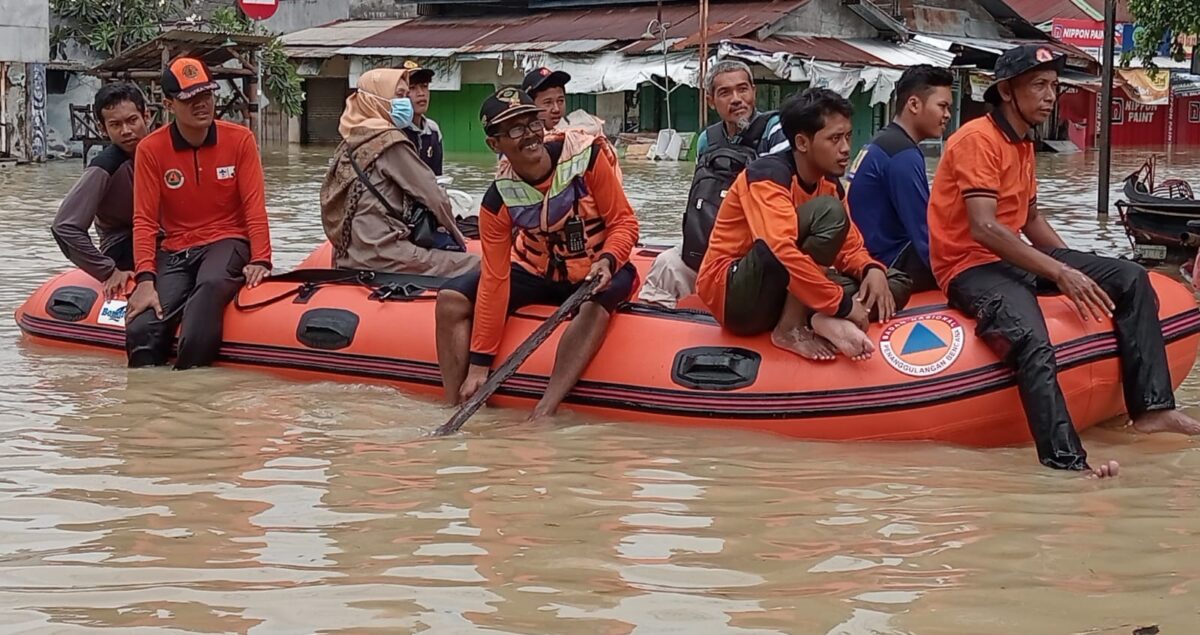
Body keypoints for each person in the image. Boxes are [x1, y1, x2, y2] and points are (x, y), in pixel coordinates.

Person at [927, 44, 1200, 478]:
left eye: (1054, 86)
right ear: (1006, 91)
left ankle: (1152, 409)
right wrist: (1059, 271)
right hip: (970, 267)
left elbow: (1031, 218)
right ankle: (1066, 463)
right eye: (1039, 86)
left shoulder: (1022, 143)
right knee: (1033, 340)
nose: (1051, 95)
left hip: (1013, 256)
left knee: (1130, 277)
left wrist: (1075, 261)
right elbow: (984, 227)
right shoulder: (978, 140)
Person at [436, 88, 640, 419]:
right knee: (450, 299)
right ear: (495, 145)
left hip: (597, 268)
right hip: (538, 271)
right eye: (515, 130)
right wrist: (479, 364)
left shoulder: (586, 158)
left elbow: (624, 222)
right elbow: (495, 279)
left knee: (592, 308)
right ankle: (457, 401)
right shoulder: (497, 200)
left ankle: (544, 410)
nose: (529, 135)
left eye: (532, 123)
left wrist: (608, 259)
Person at [696, 88, 911, 361]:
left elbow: (849, 247)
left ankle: (818, 317)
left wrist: (871, 269)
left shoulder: (829, 184)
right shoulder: (767, 176)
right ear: (802, 142)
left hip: (783, 290)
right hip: (736, 295)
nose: (846, 148)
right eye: (834, 139)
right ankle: (791, 327)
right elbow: (779, 251)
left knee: (895, 283)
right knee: (828, 214)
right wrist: (842, 305)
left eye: (847, 136)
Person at [124, 58, 273, 370]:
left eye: (206, 95)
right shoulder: (151, 149)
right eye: (190, 98)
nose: (202, 104)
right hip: (176, 249)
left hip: (227, 241)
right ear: (168, 104)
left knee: (207, 291)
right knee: (141, 327)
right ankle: (146, 407)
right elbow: (144, 220)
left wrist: (260, 258)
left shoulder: (240, 140)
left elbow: (254, 206)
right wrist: (145, 278)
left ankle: (190, 392)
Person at [639, 59, 789, 308]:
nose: (737, 99)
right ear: (711, 101)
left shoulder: (775, 131)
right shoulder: (707, 140)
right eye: (725, 93)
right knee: (666, 265)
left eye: (743, 89)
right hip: (712, 243)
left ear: (754, 92)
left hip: (759, 245)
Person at [319, 68, 475, 275]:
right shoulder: (390, 142)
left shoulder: (350, 142)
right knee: (476, 265)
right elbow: (434, 197)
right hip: (383, 253)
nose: (405, 103)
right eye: (399, 96)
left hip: (347, 254)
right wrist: (457, 236)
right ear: (377, 100)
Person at [846, 65, 953, 292]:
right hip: (890, 263)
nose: (947, 115)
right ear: (914, 104)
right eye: (942, 106)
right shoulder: (902, 155)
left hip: (866, 253)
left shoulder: (882, 142)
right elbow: (925, 231)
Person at [51, 82, 150, 299]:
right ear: (103, 129)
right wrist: (107, 270)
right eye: (115, 125)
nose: (126, 131)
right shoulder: (103, 167)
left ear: (147, 116)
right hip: (124, 246)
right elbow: (64, 226)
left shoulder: (164, 154)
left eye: (132, 121)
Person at [520, 67, 605, 134]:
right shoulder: (520, 144)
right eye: (548, 102)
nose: (556, 109)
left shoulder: (579, 136)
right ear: (529, 107)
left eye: (560, 101)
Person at [401, 60, 444, 176]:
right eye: (412, 88)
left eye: (424, 86)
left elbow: (437, 177)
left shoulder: (433, 130)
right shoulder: (391, 132)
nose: (421, 93)